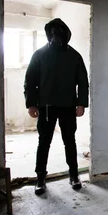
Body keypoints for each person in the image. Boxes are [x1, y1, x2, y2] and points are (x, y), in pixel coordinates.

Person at [24, 18, 89, 195]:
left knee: (70, 141)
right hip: (45, 106)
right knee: (44, 142)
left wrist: (81, 103)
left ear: (66, 35)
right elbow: (30, 81)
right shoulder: (39, 55)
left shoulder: (74, 56)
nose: (56, 37)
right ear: (48, 34)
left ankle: (74, 175)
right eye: (53, 33)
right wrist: (31, 104)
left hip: (68, 105)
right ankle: (40, 178)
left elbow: (83, 81)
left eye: (60, 33)